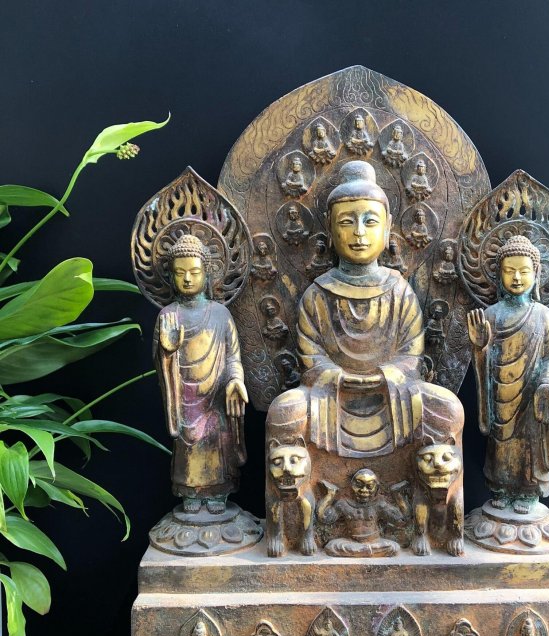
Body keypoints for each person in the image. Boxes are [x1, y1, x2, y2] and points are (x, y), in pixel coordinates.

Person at [266, 161, 463, 459]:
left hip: (392, 396)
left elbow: (411, 356)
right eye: (346, 222)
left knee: (448, 408)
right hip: (331, 399)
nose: (359, 232)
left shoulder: (400, 291)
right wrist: (341, 378)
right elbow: (311, 360)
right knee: (284, 411)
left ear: (387, 228)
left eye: (370, 222)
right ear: (330, 228)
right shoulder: (317, 295)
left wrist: (383, 377)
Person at [155, 234, 247, 514]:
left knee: (219, 443)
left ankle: (218, 493)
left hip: (216, 397)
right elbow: (160, 364)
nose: (187, 279)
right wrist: (167, 351)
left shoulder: (220, 314)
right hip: (185, 398)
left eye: (194, 272)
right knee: (188, 445)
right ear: (170, 276)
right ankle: (190, 494)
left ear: (207, 273)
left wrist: (235, 380)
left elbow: (233, 356)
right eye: (179, 273)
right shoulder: (167, 315)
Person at [467, 235, 549, 514]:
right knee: (501, 445)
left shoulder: (544, 316)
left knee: (529, 444)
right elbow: (483, 360)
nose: (517, 278)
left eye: (524, 271)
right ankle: (502, 488)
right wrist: (480, 347)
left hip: (531, 397)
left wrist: (546, 385)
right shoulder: (491, 315)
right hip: (499, 396)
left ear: (536, 274)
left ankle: (527, 492)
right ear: (499, 275)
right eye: (509, 271)